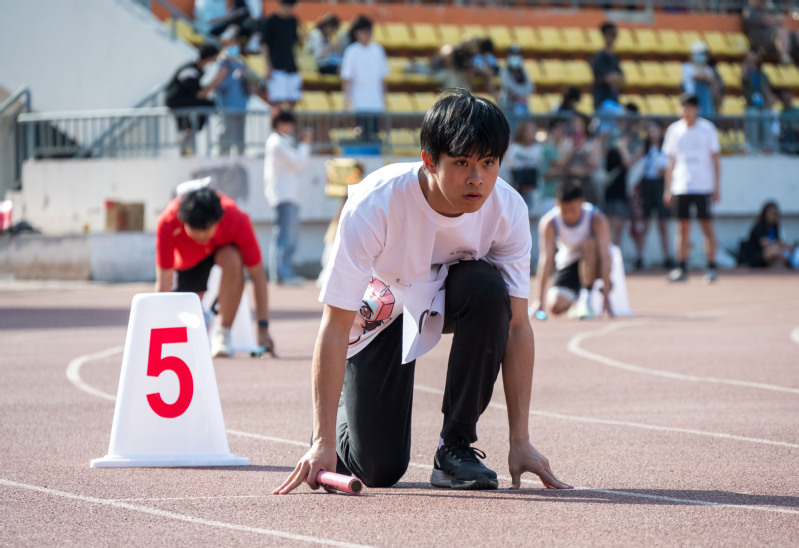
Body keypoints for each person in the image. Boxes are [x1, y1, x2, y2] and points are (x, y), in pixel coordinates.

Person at [274, 89, 572, 494]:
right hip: (383, 313)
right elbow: (334, 324)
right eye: (462, 163)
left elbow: (518, 325)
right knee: (379, 469)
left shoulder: (508, 209)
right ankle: (346, 413)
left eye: (488, 163)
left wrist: (520, 439)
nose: (477, 178)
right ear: (429, 160)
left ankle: (455, 448)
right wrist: (323, 440)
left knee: (487, 287)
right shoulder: (374, 204)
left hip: (447, 299)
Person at [155, 187, 274, 358]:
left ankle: (223, 333)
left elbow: (258, 274)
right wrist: (158, 327)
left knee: (233, 257)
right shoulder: (167, 222)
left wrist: (263, 328)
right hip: (189, 262)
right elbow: (164, 280)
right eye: (195, 232)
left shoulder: (236, 218)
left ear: (219, 219)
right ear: (183, 221)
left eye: (207, 230)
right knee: (184, 318)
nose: (202, 236)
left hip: (223, 253)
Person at [662, 92, 722, 283]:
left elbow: (715, 159)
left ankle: (711, 267)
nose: (685, 111)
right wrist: (668, 188)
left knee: (707, 226)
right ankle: (681, 267)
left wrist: (717, 187)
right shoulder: (674, 130)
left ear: (697, 109)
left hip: (703, 186)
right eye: (683, 107)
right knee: (682, 228)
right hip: (681, 185)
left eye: (689, 107)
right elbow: (671, 161)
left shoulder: (707, 129)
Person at [533, 179, 613, 320]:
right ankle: (576, 299)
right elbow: (546, 260)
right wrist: (539, 300)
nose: (569, 215)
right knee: (555, 307)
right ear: (557, 204)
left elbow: (605, 257)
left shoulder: (597, 219)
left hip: (595, 264)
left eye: (573, 210)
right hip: (568, 263)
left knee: (589, 244)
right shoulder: (549, 222)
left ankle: (587, 299)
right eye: (564, 211)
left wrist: (606, 297)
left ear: (582, 202)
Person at [264, 109, 312, 285]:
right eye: (286, 123)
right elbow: (297, 162)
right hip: (283, 195)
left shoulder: (283, 141)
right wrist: (305, 144)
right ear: (278, 124)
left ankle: (284, 273)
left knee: (288, 237)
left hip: (289, 195)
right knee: (283, 237)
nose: (290, 127)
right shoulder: (276, 142)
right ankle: (282, 275)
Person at [631, 120, 673, 270]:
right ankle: (640, 257)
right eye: (650, 130)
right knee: (645, 224)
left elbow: (670, 167)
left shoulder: (666, 148)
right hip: (646, 186)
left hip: (661, 185)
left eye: (655, 129)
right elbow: (632, 164)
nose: (653, 133)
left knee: (663, 224)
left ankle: (667, 257)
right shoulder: (644, 149)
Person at [205, 26, 253, 156]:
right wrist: (233, 77)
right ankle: (222, 162)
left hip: (241, 107)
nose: (234, 47)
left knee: (239, 140)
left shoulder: (240, 63)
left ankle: (240, 161)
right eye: (230, 44)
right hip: (226, 107)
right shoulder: (220, 63)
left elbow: (246, 86)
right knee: (225, 138)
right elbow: (216, 85)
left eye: (235, 43)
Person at [340, 15, 389, 142]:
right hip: (359, 102)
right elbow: (347, 79)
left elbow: (382, 78)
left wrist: (384, 100)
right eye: (364, 31)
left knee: (374, 135)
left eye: (369, 31)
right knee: (360, 135)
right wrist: (346, 102)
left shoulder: (378, 50)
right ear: (357, 33)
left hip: (375, 102)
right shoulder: (351, 51)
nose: (367, 35)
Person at [165, 44, 219, 157]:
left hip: (180, 100)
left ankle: (189, 132)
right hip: (176, 100)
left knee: (204, 106)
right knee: (209, 104)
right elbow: (196, 92)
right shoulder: (190, 70)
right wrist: (214, 84)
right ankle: (190, 131)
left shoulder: (196, 69)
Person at [260, 0, 302, 108]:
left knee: (293, 98)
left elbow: (293, 43)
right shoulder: (271, 21)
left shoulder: (293, 21)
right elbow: (264, 45)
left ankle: (289, 119)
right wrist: (268, 66)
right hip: (276, 66)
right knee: (276, 100)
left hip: (291, 66)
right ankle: (276, 119)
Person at [739, 201, 797, 268]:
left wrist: (788, 247)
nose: (775, 216)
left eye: (777, 214)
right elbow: (765, 243)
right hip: (756, 255)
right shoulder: (759, 227)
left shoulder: (775, 227)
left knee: (780, 259)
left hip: (771, 255)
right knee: (776, 250)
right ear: (766, 214)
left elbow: (779, 240)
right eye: (773, 214)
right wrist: (779, 246)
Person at [741, 49, 776, 154]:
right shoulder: (746, 71)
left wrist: (770, 104)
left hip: (763, 107)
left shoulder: (762, 74)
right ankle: (753, 148)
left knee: (766, 117)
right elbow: (743, 76)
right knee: (753, 115)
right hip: (751, 106)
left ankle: (767, 148)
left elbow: (767, 91)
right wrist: (747, 60)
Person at [742, 0, 798, 65]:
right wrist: (774, 20)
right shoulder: (749, 11)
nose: (763, 2)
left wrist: (773, 19)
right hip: (763, 43)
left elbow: (780, 20)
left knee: (797, 33)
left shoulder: (769, 10)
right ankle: (784, 57)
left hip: (778, 40)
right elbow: (766, 20)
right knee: (782, 31)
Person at [504, 119, 542, 214]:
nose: (532, 133)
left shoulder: (538, 148)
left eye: (533, 131)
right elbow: (510, 165)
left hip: (533, 187)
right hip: (516, 186)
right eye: (529, 131)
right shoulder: (514, 148)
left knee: (533, 213)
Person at [591, 21, 625, 114]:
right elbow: (606, 78)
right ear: (605, 36)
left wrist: (613, 78)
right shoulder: (599, 57)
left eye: (615, 35)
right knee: (623, 115)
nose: (613, 38)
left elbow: (622, 78)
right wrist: (614, 78)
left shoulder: (614, 56)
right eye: (612, 35)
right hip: (602, 102)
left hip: (613, 101)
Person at [498, 44, 533, 128]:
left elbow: (530, 87)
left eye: (518, 55)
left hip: (523, 107)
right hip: (508, 107)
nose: (515, 57)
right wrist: (522, 93)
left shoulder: (524, 71)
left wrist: (519, 94)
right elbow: (510, 87)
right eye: (513, 55)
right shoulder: (504, 71)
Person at [681, 41, 716, 118]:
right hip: (692, 102)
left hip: (706, 104)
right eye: (698, 53)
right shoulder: (687, 67)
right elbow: (698, 76)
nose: (701, 56)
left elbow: (711, 79)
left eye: (703, 53)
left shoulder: (708, 69)